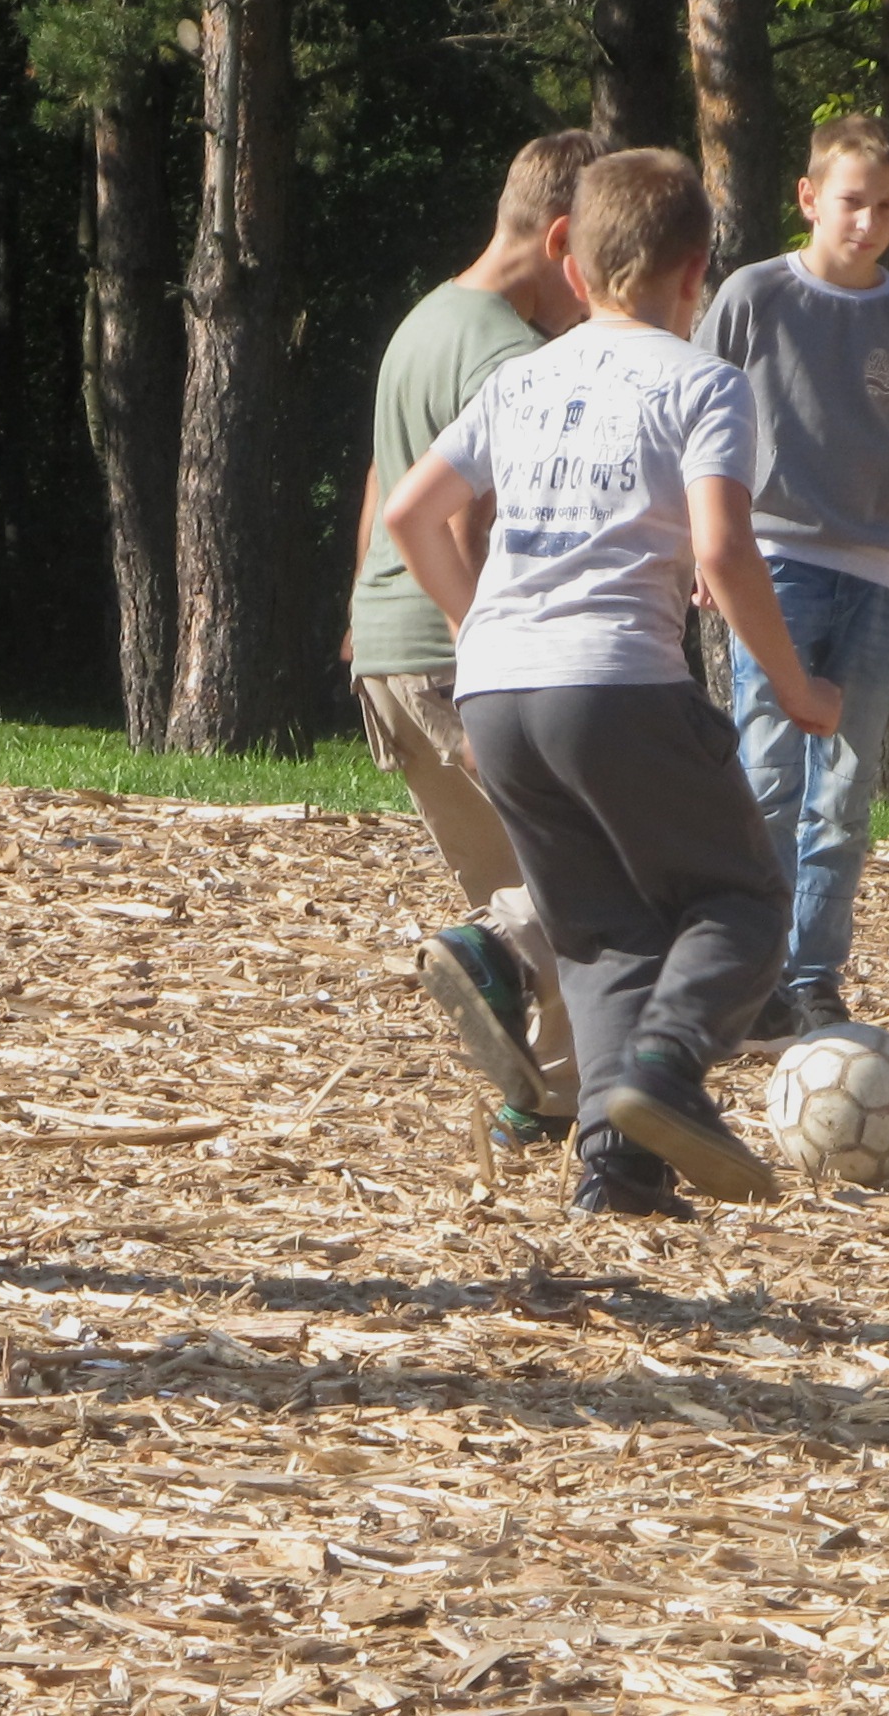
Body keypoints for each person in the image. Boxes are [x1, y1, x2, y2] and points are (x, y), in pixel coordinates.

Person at [383, 149, 842, 1217]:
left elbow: (410, 512)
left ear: (571, 263)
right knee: (739, 900)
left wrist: (478, 624)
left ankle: (617, 1167)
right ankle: (663, 1066)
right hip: (616, 681)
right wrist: (797, 686)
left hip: (496, 691)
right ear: (698, 272)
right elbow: (724, 553)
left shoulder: (521, 375)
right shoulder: (703, 382)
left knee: (601, 932)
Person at [349, 129, 600, 1152]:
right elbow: (461, 519)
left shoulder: (423, 320)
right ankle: (558, 1106)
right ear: (556, 241)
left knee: (525, 892)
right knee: (580, 879)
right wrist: (487, 643)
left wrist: (357, 617)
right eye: (594, 269)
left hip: (386, 646)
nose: (595, 297)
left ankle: (543, 1109)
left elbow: (383, 485)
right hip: (458, 652)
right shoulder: (507, 352)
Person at [699, 112, 889, 1038]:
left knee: (844, 793)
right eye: (849, 202)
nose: (865, 222)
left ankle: (812, 975)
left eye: (886, 207)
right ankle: (749, 972)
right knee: (769, 774)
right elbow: (700, 423)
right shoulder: (754, 296)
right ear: (808, 198)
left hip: (875, 568)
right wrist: (701, 547)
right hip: (772, 561)